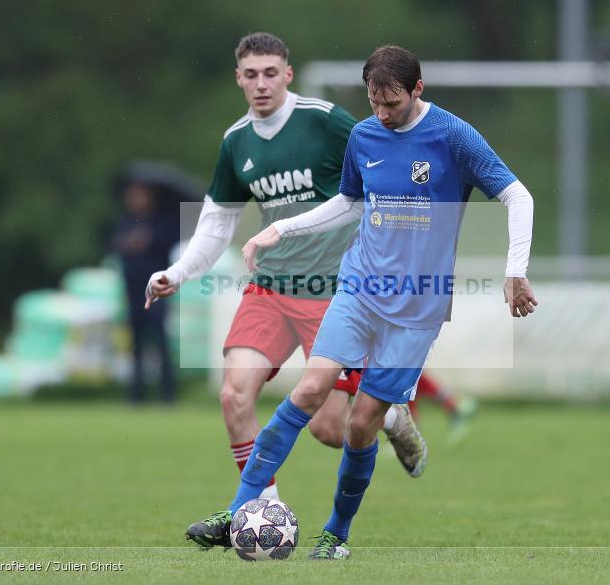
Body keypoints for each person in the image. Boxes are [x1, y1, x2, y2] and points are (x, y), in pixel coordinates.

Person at [185, 44, 537, 559]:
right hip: (359, 288)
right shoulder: (365, 135)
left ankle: (336, 534)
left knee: (359, 423)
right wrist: (279, 229)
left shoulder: (453, 136)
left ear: (417, 90)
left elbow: (517, 195)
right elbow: (348, 201)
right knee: (308, 389)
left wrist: (515, 270)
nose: (381, 113)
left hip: (417, 309)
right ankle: (239, 508)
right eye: (374, 102)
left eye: (391, 102)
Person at [144, 33, 428, 504]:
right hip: (271, 288)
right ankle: (263, 511)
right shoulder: (236, 142)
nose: (261, 84)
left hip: (333, 291)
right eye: (251, 75)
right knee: (234, 395)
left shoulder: (324, 121)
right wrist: (177, 272)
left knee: (331, 430)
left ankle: (392, 415)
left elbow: (376, 161)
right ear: (239, 78)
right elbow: (217, 224)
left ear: (287, 75)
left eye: (270, 73)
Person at [112, 178, 181, 404]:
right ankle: (136, 396)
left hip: (158, 291)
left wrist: (148, 241)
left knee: (161, 342)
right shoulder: (126, 221)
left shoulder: (163, 221)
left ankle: (167, 395)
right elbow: (115, 245)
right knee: (136, 344)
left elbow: (171, 242)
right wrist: (129, 243)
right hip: (132, 290)